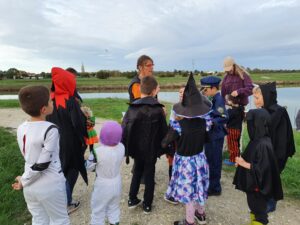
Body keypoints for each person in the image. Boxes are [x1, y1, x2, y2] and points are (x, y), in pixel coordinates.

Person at [12, 85, 70, 225]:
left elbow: (30, 157)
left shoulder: (21, 128)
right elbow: (42, 164)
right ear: (44, 109)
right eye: (51, 101)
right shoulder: (51, 129)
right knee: (60, 220)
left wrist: (24, 180)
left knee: (38, 220)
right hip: (49, 186)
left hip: (30, 188)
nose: (53, 103)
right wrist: (24, 180)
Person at [163, 74, 211, 225]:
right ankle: (201, 214)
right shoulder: (205, 123)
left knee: (189, 193)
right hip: (200, 158)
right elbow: (208, 132)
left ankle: (190, 221)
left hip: (185, 163)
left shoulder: (178, 126)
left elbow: (165, 142)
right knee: (200, 187)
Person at [122, 76, 168, 214]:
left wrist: (127, 148)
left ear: (141, 89)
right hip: (151, 149)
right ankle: (147, 204)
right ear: (154, 91)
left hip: (137, 148)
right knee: (149, 174)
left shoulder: (132, 107)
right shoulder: (158, 109)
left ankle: (132, 199)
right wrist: (163, 148)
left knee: (137, 171)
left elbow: (125, 128)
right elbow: (163, 132)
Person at [47, 67, 88, 214]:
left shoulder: (50, 100)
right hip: (70, 141)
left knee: (60, 169)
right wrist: (86, 129)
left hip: (54, 141)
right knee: (73, 168)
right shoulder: (70, 101)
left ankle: (57, 199)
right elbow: (77, 124)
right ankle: (66, 202)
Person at [233, 108, 283, 225]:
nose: (249, 126)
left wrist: (243, 163)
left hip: (258, 188)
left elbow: (263, 169)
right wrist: (241, 161)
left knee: (260, 213)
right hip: (253, 186)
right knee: (253, 208)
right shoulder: (257, 140)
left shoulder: (263, 144)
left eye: (250, 123)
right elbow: (253, 158)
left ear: (256, 124)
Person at [252, 82, 295, 212]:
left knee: (271, 177)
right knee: (264, 177)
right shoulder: (265, 111)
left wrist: (274, 158)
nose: (254, 101)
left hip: (276, 153)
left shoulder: (278, 113)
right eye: (254, 98)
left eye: (257, 98)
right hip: (265, 151)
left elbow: (281, 139)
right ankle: (264, 200)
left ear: (266, 97)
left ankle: (270, 204)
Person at [86, 121, 124, 225]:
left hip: (102, 184)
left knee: (98, 211)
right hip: (117, 181)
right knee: (114, 209)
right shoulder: (121, 147)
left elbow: (88, 167)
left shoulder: (97, 152)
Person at [221, 56, 253, 165]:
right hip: (229, 109)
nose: (228, 71)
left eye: (229, 68)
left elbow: (251, 89)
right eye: (226, 69)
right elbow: (223, 93)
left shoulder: (243, 75)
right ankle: (234, 156)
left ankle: (235, 158)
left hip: (239, 109)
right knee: (230, 134)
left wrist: (239, 91)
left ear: (234, 65)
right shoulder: (226, 78)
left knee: (234, 134)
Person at [201, 76, 228, 196]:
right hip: (211, 135)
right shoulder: (213, 98)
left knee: (215, 161)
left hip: (216, 136)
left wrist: (211, 121)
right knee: (209, 160)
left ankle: (215, 188)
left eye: (206, 90)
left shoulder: (219, 99)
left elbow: (224, 117)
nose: (204, 92)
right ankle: (211, 184)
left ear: (213, 88)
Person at [163, 86, 185, 205]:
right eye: (180, 92)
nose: (181, 94)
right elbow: (172, 123)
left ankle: (180, 188)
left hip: (185, 141)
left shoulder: (193, 107)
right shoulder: (175, 106)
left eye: (184, 92)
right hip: (175, 139)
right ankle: (172, 186)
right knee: (172, 162)